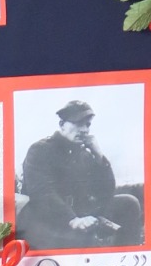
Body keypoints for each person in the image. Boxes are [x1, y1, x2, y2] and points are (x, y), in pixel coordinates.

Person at [18, 102, 143, 250]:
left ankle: (125, 254)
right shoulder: (41, 149)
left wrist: (99, 156)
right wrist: (72, 219)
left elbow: (106, 191)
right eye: (78, 123)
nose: (84, 130)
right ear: (62, 124)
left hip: (81, 213)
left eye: (87, 125)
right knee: (79, 238)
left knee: (129, 203)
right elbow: (42, 193)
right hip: (50, 218)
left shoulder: (84, 153)